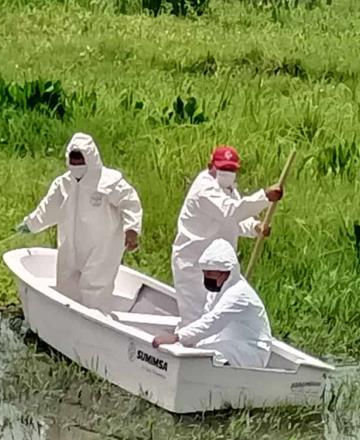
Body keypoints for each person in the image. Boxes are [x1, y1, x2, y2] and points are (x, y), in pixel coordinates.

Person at [15, 132, 143, 314]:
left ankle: (96, 322)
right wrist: (30, 223)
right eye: (73, 161)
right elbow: (48, 208)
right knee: (66, 285)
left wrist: (132, 229)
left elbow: (130, 203)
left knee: (95, 286)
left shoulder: (109, 182)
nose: (76, 165)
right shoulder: (64, 183)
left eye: (80, 160)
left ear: (91, 157)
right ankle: (69, 323)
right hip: (70, 245)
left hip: (102, 247)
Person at [171, 145, 283, 327]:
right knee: (196, 317)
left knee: (217, 314)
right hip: (193, 264)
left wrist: (255, 227)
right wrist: (264, 197)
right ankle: (186, 349)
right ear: (211, 166)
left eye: (231, 169)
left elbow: (233, 220)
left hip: (218, 268)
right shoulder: (205, 189)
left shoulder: (229, 189)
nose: (227, 173)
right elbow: (231, 212)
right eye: (223, 168)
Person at [152, 238, 273, 368]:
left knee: (206, 356)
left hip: (249, 351)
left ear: (225, 272)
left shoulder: (239, 294)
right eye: (204, 272)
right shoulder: (217, 291)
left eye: (210, 273)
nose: (206, 278)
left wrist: (177, 337)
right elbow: (206, 317)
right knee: (198, 350)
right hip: (228, 342)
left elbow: (212, 321)